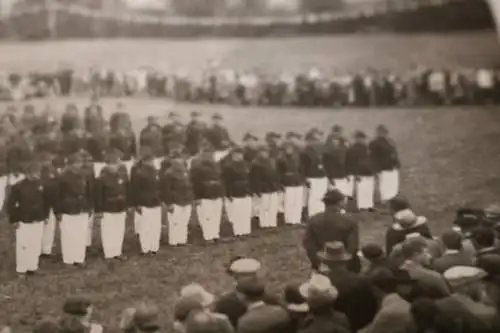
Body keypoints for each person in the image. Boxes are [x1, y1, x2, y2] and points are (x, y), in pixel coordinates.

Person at [317, 242, 379, 331]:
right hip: (363, 326)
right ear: (345, 262)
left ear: (326, 262)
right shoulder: (362, 280)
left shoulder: (324, 284)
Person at [7, 159, 50, 276]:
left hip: (38, 219)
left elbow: (46, 202)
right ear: (28, 173)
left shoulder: (41, 185)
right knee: (23, 245)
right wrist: (14, 219)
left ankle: (32, 266)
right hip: (24, 220)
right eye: (35, 172)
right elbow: (11, 205)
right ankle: (21, 269)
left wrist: (45, 216)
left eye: (38, 172)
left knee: (35, 244)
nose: (38, 174)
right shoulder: (18, 187)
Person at [303, 189, 360, 272]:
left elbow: (309, 244)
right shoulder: (349, 221)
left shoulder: (314, 219)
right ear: (340, 203)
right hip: (345, 267)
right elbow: (353, 247)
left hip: (321, 263)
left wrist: (317, 263)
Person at [53, 152, 93, 267]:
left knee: (81, 234)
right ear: (69, 164)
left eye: (80, 162)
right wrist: (58, 211)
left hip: (82, 207)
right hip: (68, 209)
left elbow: (90, 192)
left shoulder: (85, 175)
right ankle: (69, 259)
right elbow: (57, 195)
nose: (78, 165)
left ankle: (79, 258)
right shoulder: (62, 177)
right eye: (75, 163)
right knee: (68, 234)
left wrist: (89, 207)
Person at [437, 266, 499, 332]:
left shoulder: (442, 303)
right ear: (467, 286)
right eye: (479, 282)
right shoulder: (487, 314)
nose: (482, 285)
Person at [94, 148, 129, 261]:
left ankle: (118, 251)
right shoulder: (101, 179)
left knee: (119, 230)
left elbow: (125, 191)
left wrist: (126, 205)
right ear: (108, 165)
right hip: (108, 208)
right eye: (113, 164)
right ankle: (109, 253)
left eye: (117, 163)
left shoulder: (121, 176)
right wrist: (99, 211)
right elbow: (98, 196)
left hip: (120, 207)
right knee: (109, 230)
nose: (116, 166)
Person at [130, 148, 162, 255]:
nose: (152, 163)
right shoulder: (139, 173)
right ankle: (145, 248)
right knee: (146, 226)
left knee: (155, 226)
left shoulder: (154, 171)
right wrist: (136, 204)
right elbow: (135, 189)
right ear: (145, 161)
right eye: (150, 160)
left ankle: (154, 247)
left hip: (155, 201)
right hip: (145, 202)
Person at [190, 142, 224, 242]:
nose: (209, 155)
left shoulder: (216, 166)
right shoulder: (197, 167)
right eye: (206, 152)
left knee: (216, 215)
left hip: (216, 193)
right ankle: (208, 236)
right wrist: (197, 197)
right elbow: (194, 183)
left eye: (210, 152)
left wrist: (221, 192)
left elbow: (221, 179)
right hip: (204, 194)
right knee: (206, 216)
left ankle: (215, 234)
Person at [160, 156, 193, 246]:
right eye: (178, 163)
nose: (180, 165)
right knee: (174, 221)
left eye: (181, 163)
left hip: (186, 199)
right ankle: (174, 240)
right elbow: (165, 190)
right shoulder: (168, 174)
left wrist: (190, 198)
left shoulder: (186, 172)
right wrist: (169, 203)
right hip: (175, 200)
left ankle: (182, 239)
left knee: (184, 220)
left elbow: (190, 185)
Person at [221, 147, 252, 237]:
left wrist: (250, 190)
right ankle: (238, 231)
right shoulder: (228, 166)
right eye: (237, 154)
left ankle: (246, 230)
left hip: (246, 190)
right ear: (233, 155)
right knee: (237, 212)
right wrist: (228, 194)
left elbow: (249, 178)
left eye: (240, 154)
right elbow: (227, 182)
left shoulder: (246, 165)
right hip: (235, 191)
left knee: (246, 211)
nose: (239, 156)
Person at [249, 146, 280, 229]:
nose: (265, 154)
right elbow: (254, 179)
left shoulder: (271, 162)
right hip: (263, 188)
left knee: (273, 206)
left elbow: (276, 175)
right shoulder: (255, 164)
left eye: (266, 152)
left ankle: (272, 223)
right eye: (262, 152)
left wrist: (277, 186)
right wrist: (257, 190)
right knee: (264, 206)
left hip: (273, 187)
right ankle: (264, 223)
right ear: (259, 153)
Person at [301, 128, 328, 218]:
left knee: (321, 195)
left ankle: (320, 213)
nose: (319, 139)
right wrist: (305, 177)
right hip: (312, 176)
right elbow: (303, 166)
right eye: (316, 137)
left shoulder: (321, 149)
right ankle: (313, 215)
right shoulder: (306, 151)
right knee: (313, 197)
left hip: (321, 175)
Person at [369, 125, 400, 203]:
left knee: (390, 185)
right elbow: (373, 157)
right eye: (381, 132)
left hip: (389, 167)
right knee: (385, 186)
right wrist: (375, 169)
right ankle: (385, 201)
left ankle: (389, 200)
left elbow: (394, 154)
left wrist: (396, 163)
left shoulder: (390, 142)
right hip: (383, 168)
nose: (383, 134)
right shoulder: (375, 143)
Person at [346, 130, 375, 212]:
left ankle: (366, 205)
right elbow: (351, 162)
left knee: (366, 188)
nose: (361, 140)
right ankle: (365, 206)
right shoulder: (363, 149)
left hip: (366, 171)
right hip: (364, 172)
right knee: (364, 188)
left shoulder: (354, 149)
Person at [277, 141, 304, 225]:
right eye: (288, 148)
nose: (289, 150)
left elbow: (300, 170)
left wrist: (301, 179)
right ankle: (289, 220)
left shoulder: (296, 158)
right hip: (287, 182)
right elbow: (279, 173)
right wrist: (281, 183)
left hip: (297, 181)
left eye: (291, 148)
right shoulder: (281, 160)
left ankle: (297, 219)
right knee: (289, 202)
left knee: (297, 201)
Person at [323, 125, 351, 198]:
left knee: (340, 194)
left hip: (339, 173)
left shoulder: (337, 141)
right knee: (338, 194)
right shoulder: (339, 142)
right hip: (337, 173)